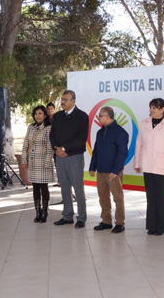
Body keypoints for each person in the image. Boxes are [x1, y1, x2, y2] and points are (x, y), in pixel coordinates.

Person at [134, 98, 164, 236]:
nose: (152, 110)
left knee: (161, 197)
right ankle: (151, 226)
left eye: (155, 108)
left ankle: (161, 226)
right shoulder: (144, 123)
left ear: (162, 109)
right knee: (151, 197)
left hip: (162, 166)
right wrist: (137, 163)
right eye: (151, 107)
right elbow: (138, 143)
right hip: (147, 164)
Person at [49, 90, 89, 228]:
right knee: (64, 187)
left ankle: (82, 218)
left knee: (78, 188)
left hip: (74, 156)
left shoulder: (82, 116)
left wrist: (65, 148)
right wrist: (57, 150)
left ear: (73, 101)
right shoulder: (58, 116)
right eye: (62, 99)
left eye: (66, 99)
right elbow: (52, 135)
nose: (63, 102)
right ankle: (67, 216)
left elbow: (81, 138)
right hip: (59, 156)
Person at [89, 106, 129, 233]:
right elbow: (96, 151)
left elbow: (122, 153)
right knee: (103, 197)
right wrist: (92, 167)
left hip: (113, 171)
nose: (98, 117)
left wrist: (116, 170)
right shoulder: (100, 132)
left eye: (100, 115)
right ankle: (106, 221)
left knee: (118, 197)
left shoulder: (121, 133)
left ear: (108, 117)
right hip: (100, 170)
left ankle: (120, 223)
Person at [21, 106, 55, 223]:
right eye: (35, 114)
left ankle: (45, 212)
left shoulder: (49, 128)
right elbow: (26, 144)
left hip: (43, 162)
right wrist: (24, 160)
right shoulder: (31, 127)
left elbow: (50, 146)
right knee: (35, 186)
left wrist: (47, 161)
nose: (37, 116)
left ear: (45, 115)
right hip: (32, 161)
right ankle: (38, 212)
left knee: (43, 187)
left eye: (40, 113)